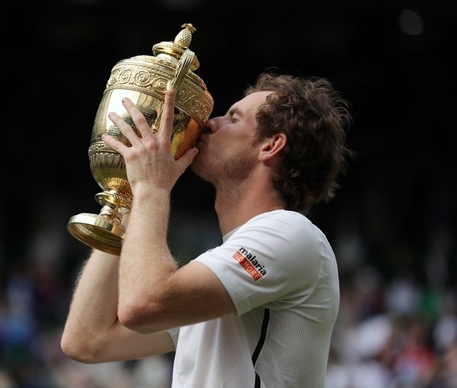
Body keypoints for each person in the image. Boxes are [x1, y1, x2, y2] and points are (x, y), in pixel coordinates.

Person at [60, 71, 353, 387]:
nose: (211, 123)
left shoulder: (292, 233)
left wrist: (151, 188)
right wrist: (128, 198)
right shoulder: (219, 270)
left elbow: (142, 304)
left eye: (233, 118)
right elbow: (87, 340)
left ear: (271, 145)